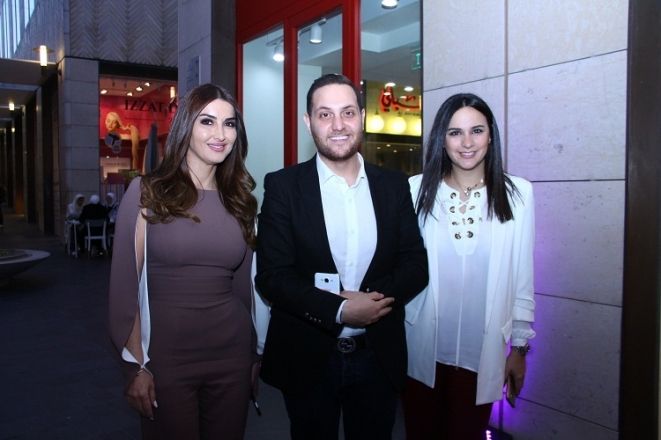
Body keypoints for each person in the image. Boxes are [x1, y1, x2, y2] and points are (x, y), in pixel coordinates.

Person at [255, 73, 428, 440]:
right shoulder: (283, 186)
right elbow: (272, 276)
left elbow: (416, 264)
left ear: (362, 118)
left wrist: (370, 303)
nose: (338, 125)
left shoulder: (394, 185)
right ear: (308, 122)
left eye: (348, 112)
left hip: (377, 357)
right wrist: (340, 309)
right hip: (307, 356)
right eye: (325, 114)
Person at [108, 83, 259, 439]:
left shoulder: (240, 202)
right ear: (186, 127)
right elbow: (125, 286)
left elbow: (245, 290)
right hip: (165, 359)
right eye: (207, 121)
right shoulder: (146, 192)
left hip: (232, 355)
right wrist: (135, 366)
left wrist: (254, 355)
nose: (220, 134)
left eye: (229, 124)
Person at [403, 93, 536, 439]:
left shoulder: (518, 194)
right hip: (422, 349)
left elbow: (522, 277)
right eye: (455, 132)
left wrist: (519, 348)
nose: (466, 143)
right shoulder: (415, 190)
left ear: (490, 135)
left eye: (476, 130)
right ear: (441, 139)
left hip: (483, 355)